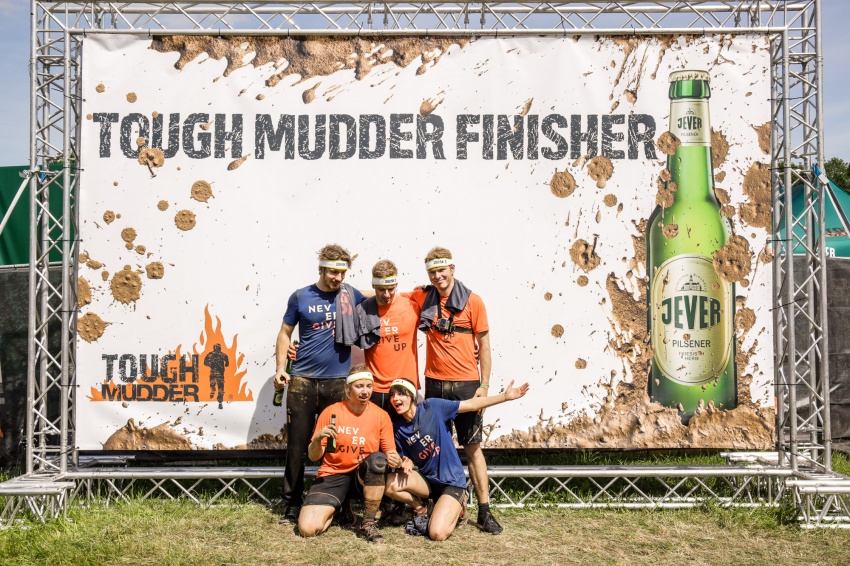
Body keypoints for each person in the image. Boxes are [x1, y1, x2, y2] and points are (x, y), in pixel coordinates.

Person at [407, 246, 502, 534]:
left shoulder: (474, 301)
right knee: (436, 448)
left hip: (467, 385)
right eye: (432, 272)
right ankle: (446, 506)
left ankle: (484, 511)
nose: (437, 276)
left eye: (441, 270)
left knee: (472, 447)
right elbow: (388, 296)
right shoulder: (422, 296)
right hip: (435, 383)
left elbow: (485, 346)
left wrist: (484, 385)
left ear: (452, 269)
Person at [273, 244, 366, 524]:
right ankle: (291, 504)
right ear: (321, 269)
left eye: (342, 273)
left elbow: (378, 297)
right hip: (302, 381)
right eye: (333, 272)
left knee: (338, 444)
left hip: (337, 382)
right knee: (297, 446)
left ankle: (340, 503)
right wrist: (280, 368)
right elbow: (284, 333)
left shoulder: (349, 294)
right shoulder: (300, 296)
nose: (338, 278)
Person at [385, 378, 529, 540]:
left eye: (401, 394)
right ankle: (424, 507)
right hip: (427, 482)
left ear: (412, 396)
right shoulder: (397, 428)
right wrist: (404, 461)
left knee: (437, 533)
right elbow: (405, 457)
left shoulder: (432, 407)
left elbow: (471, 404)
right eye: (392, 395)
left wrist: (504, 397)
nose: (395, 398)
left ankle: (460, 509)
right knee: (388, 484)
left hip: (451, 482)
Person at [298, 366, 400, 543]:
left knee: (378, 460)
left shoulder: (381, 416)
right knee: (308, 529)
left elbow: (390, 452)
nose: (365, 391)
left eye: (369, 386)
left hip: (362, 477)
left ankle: (368, 523)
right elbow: (313, 457)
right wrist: (317, 440)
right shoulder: (331, 412)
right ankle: (340, 508)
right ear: (347, 389)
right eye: (359, 386)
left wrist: (395, 459)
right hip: (333, 474)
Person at [362, 259, 421, 411]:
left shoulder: (412, 306)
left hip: (406, 386)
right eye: (381, 289)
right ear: (373, 286)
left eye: (391, 289)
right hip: (375, 388)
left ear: (396, 285)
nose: (386, 294)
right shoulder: (363, 309)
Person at [203, 343, 229, 409]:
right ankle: (219, 400)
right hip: (219, 373)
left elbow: (205, 362)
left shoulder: (211, 354)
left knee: (214, 384)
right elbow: (227, 363)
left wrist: (211, 364)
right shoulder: (223, 354)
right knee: (220, 386)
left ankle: (214, 394)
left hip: (215, 373)